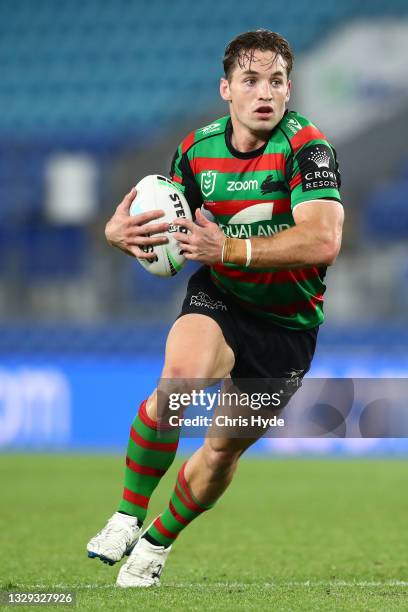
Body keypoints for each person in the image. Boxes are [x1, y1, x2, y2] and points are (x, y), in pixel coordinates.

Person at [87, 29, 343, 587]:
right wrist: (118, 233)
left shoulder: (307, 148)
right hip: (221, 298)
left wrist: (228, 247)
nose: (264, 93)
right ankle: (128, 514)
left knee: (221, 452)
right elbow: (160, 221)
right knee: (177, 382)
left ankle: (155, 544)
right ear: (226, 89)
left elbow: (323, 240)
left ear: (289, 89)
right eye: (250, 81)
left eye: (275, 81)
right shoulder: (196, 150)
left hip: (289, 326)